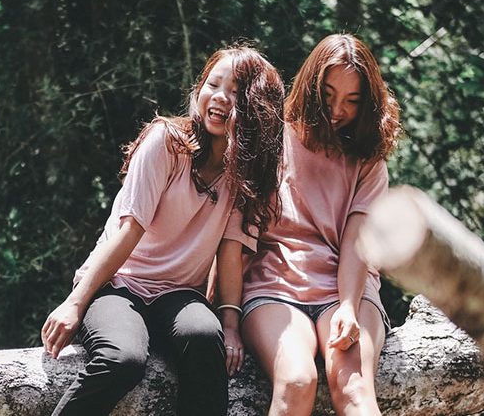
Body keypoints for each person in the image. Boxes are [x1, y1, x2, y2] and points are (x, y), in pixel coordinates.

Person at [41, 45, 285, 416]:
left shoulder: (243, 176)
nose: (219, 98)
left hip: (179, 296)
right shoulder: (167, 142)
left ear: (255, 107)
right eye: (212, 84)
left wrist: (231, 324)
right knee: (122, 358)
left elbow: (230, 252)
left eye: (235, 92)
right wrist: (75, 303)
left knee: (205, 336)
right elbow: (128, 231)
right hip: (118, 285)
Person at [223, 34, 402, 415]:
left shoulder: (368, 162)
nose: (338, 110)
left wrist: (350, 308)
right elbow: (237, 238)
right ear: (310, 87)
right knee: (297, 380)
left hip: (347, 288)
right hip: (275, 286)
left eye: (352, 101)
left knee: (353, 389)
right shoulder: (272, 140)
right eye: (329, 94)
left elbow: (357, 243)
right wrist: (227, 318)